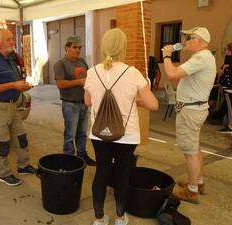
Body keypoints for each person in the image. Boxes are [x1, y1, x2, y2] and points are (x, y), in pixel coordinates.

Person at [84, 28, 158, 225]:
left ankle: (99, 219)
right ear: (123, 47)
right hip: (127, 134)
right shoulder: (132, 73)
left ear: (104, 47)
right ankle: (119, 217)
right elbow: (154, 105)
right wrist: (136, 100)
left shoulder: (92, 72)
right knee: (122, 174)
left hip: (99, 133)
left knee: (101, 171)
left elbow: (88, 102)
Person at [162, 27, 216, 204]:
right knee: (195, 148)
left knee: (190, 152)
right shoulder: (202, 58)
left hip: (191, 112)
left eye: (190, 38)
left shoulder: (201, 57)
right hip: (195, 109)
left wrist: (167, 56)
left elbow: (170, 73)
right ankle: (197, 182)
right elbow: (177, 80)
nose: (186, 41)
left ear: (200, 42)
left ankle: (192, 191)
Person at [0, 28, 36, 187]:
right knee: (3, 142)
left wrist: (21, 87)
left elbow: (13, 83)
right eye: (9, 39)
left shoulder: (10, 59)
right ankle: (4, 174)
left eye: (12, 38)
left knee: (21, 137)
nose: (13, 42)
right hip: (0, 108)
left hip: (13, 105)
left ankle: (23, 165)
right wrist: (13, 84)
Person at [53, 35, 96, 166]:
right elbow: (60, 84)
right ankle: (69, 158)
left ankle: (82, 155)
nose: (77, 50)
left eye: (79, 47)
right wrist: (79, 82)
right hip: (70, 104)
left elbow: (89, 79)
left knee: (83, 133)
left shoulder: (82, 62)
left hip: (83, 103)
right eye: (74, 47)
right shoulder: (61, 64)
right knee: (70, 134)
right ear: (67, 47)